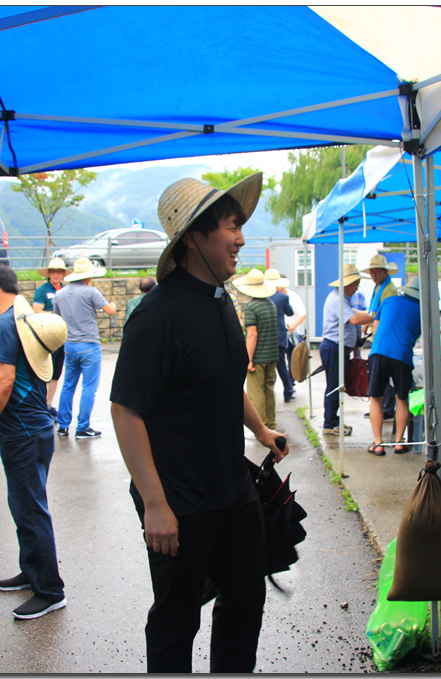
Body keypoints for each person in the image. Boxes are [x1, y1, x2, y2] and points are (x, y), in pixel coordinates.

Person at [110, 173, 288, 673]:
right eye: (231, 226)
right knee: (177, 617)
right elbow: (125, 410)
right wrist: (155, 504)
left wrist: (260, 431)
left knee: (245, 600)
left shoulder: (222, 300)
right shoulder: (157, 316)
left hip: (232, 489)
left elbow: (225, 382)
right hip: (179, 500)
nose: (241, 238)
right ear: (193, 237)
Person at [0, 262, 67, 620]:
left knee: (30, 508)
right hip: (32, 429)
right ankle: (32, 570)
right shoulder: (21, 320)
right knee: (23, 505)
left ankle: (50, 591)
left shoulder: (5, 325)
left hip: (23, 432)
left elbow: (4, 380)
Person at [52, 257, 117, 439]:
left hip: (69, 345)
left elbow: (56, 318)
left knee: (68, 386)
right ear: (87, 276)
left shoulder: (60, 294)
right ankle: (82, 427)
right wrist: (112, 305)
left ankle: (63, 426)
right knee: (88, 387)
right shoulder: (91, 292)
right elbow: (110, 311)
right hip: (89, 344)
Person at [365, 277, 421, 456]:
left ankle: (378, 443)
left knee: (376, 398)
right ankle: (398, 442)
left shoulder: (388, 301)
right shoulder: (423, 310)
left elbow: (375, 330)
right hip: (402, 355)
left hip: (379, 352)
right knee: (402, 399)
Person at [320, 263, 374, 436]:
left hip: (338, 347)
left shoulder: (343, 298)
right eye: (355, 284)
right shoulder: (337, 299)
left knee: (338, 385)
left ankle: (333, 419)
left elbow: (354, 317)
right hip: (334, 346)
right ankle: (329, 423)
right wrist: (376, 315)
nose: (356, 288)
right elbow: (355, 320)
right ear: (347, 284)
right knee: (334, 386)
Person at [235, 268, 282, 429]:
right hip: (272, 355)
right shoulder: (271, 304)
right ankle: (271, 423)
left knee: (255, 392)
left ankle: (262, 426)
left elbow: (252, 335)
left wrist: (248, 360)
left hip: (258, 357)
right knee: (269, 389)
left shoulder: (251, 307)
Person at [361, 254, 399, 421]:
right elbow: (375, 313)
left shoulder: (389, 290)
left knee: (384, 377)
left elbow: (386, 316)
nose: (373, 275)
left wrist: (369, 323)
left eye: (377, 271)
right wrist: (368, 323)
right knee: (378, 377)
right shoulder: (379, 287)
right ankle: (380, 408)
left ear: (385, 272)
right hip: (378, 338)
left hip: (386, 340)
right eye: (371, 272)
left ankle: (386, 409)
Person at [34, 257, 71, 417]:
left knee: (56, 372)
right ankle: (42, 404)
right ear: (49, 274)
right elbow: (36, 309)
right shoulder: (42, 290)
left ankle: (49, 403)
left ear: (63, 274)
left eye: (58, 272)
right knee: (45, 372)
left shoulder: (66, 290)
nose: (55, 275)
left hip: (62, 336)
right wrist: (54, 314)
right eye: (53, 272)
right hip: (47, 334)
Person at [264, 269, 295, 403]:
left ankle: (268, 393)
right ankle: (288, 390)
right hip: (279, 337)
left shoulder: (261, 296)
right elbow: (290, 312)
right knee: (281, 365)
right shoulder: (283, 297)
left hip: (264, 337)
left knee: (266, 366)